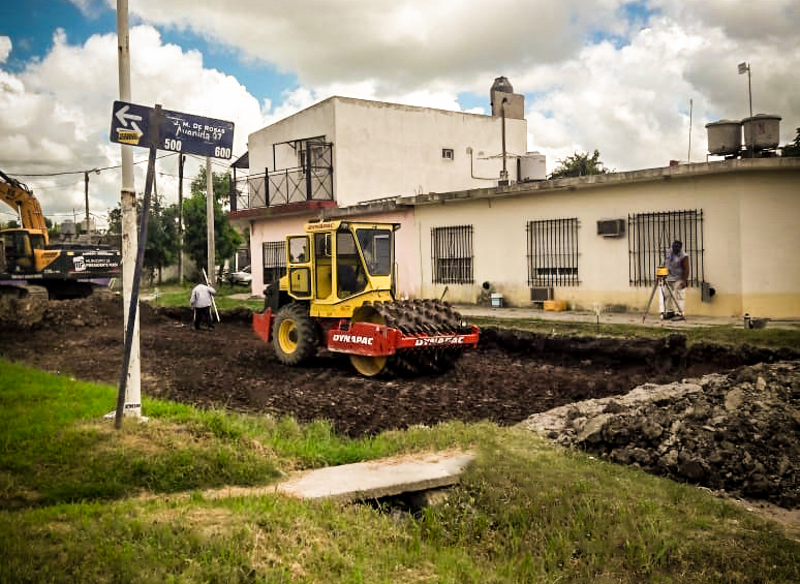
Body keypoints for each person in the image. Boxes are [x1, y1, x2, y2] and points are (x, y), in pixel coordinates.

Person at [659, 240, 690, 321]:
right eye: (674, 247)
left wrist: (684, 280)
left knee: (679, 296)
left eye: (677, 247)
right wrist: (663, 275)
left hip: (679, 278)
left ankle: (680, 313)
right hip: (668, 278)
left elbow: (686, 269)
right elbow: (665, 264)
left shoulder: (684, 255)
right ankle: (670, 312)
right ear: (672, 246)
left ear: (680, 248)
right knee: (667, 295)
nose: (675, 249)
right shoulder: (668, 252)